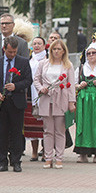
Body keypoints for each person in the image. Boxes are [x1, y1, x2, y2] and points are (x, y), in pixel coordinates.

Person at [0, 36, 33, 172]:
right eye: (10, 52)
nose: (12, 55)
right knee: (1, 132)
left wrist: (16, 86)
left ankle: (16, 160)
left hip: (16, 102)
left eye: (14, 52)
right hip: (0, 102)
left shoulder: (23, 62)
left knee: (16, 133)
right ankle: (2, 161)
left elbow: (28, 80)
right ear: (4, 49)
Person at [32, 39, 75, 168]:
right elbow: (36, 78)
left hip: (61, 98)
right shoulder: (43, 64)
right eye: (54, 49)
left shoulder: (68, 65)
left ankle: (59, 157)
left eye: (59, 49)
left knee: (60, 130)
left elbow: (71, 85)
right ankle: (48, 157)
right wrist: (40, 89)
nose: (56, 51)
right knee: (47, 130)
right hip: (46, 98)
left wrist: (71, 102)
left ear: (63, 51)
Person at [25, 37, 48, 161]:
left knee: (45, 125)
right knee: (32, 124)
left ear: (44, 46)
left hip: (45, 94)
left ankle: (46, 152)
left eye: (39, 43)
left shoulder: (48, 60)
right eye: (34, 44)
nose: (37, 46)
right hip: (30, 94)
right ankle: (34, 152)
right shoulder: (29, 60)